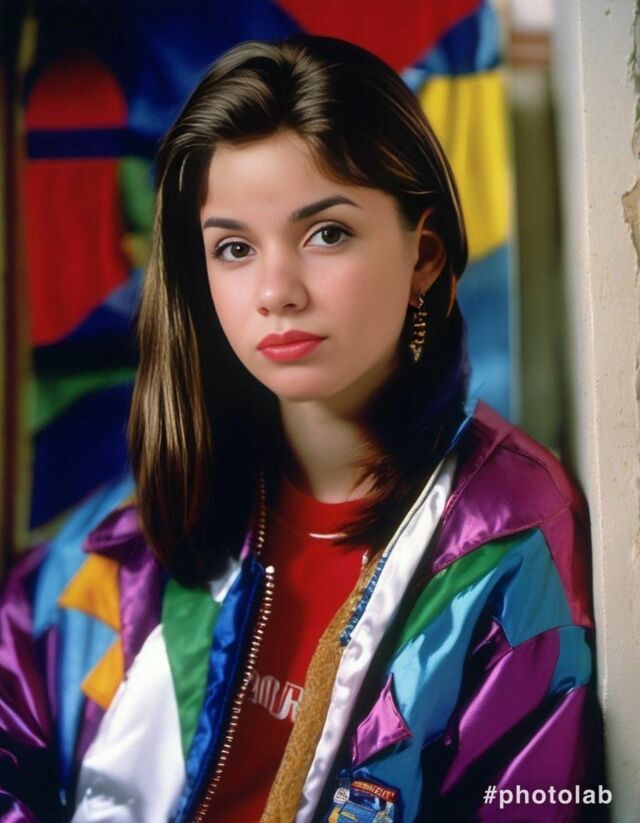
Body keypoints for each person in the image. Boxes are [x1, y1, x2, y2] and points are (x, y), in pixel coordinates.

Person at [0, 34, 604, 823]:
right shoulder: (147, 521)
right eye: (234, 248)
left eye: (327, 234)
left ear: (424, 256)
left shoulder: (508, 537)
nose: (275, 291)